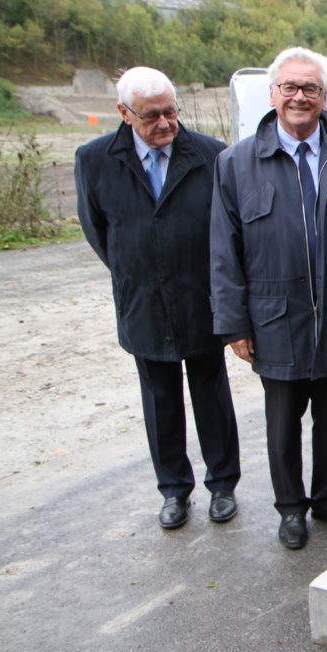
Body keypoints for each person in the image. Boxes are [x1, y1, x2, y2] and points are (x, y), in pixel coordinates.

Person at [210, 47, 327, 550]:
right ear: (272, 94)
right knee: (281, 422)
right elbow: (223, 252)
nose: (299, 97)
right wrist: (235, 324)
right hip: (275, 317)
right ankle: (290, 508)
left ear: (324, 96)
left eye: (310, 88)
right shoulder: (236, 163)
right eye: (289, 87)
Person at [76, 66, 241, 531]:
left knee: (211, 392)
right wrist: (137, 272)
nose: (165, 124)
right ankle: (173, 490)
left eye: (171, 112)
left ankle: (223, 484)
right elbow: (99, 232)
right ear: (124, 114)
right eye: (152, 116)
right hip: (143, 301)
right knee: (159, 397)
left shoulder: (209, 155)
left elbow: (227, 230)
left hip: (200, 297)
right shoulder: (94, 160)